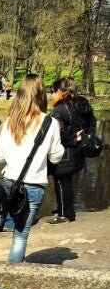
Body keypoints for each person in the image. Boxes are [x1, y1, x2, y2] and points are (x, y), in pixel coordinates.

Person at [0, 73, 64, 262]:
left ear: (20, 94)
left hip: (9, 185)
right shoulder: (50, 123)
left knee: (14, 231)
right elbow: (56, 157)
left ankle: (12, 267)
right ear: (41, 95)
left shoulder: (9, 121)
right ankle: (13, 268)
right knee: (20, 234)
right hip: (34, 186)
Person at [47, 77, 96, 224]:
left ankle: (64, 214)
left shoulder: (59, 109)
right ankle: (64, 207)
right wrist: (86, 136)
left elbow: (57, 133)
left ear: (61, 92)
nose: (52, 94)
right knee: (67, 180)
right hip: (78, 151)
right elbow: (92, 122)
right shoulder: (83, 103)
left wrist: (75, 137)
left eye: (54, 91)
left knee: (61, 180)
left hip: (64, 150)